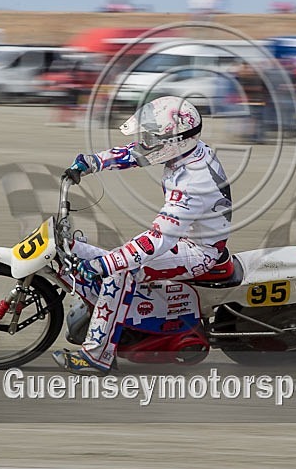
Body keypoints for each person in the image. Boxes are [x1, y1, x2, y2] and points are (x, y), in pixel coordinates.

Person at [53, 96, 232, 375]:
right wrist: (91, 163)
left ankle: (97, 357)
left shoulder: (194, 182)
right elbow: (137, 153)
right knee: (101, 257)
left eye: (153, 136)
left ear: (175, 139)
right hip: (185, 236)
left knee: (120, 270)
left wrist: (104, 266)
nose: (146, 141)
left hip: (197, 251)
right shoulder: (184, 150)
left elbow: (158, 239)